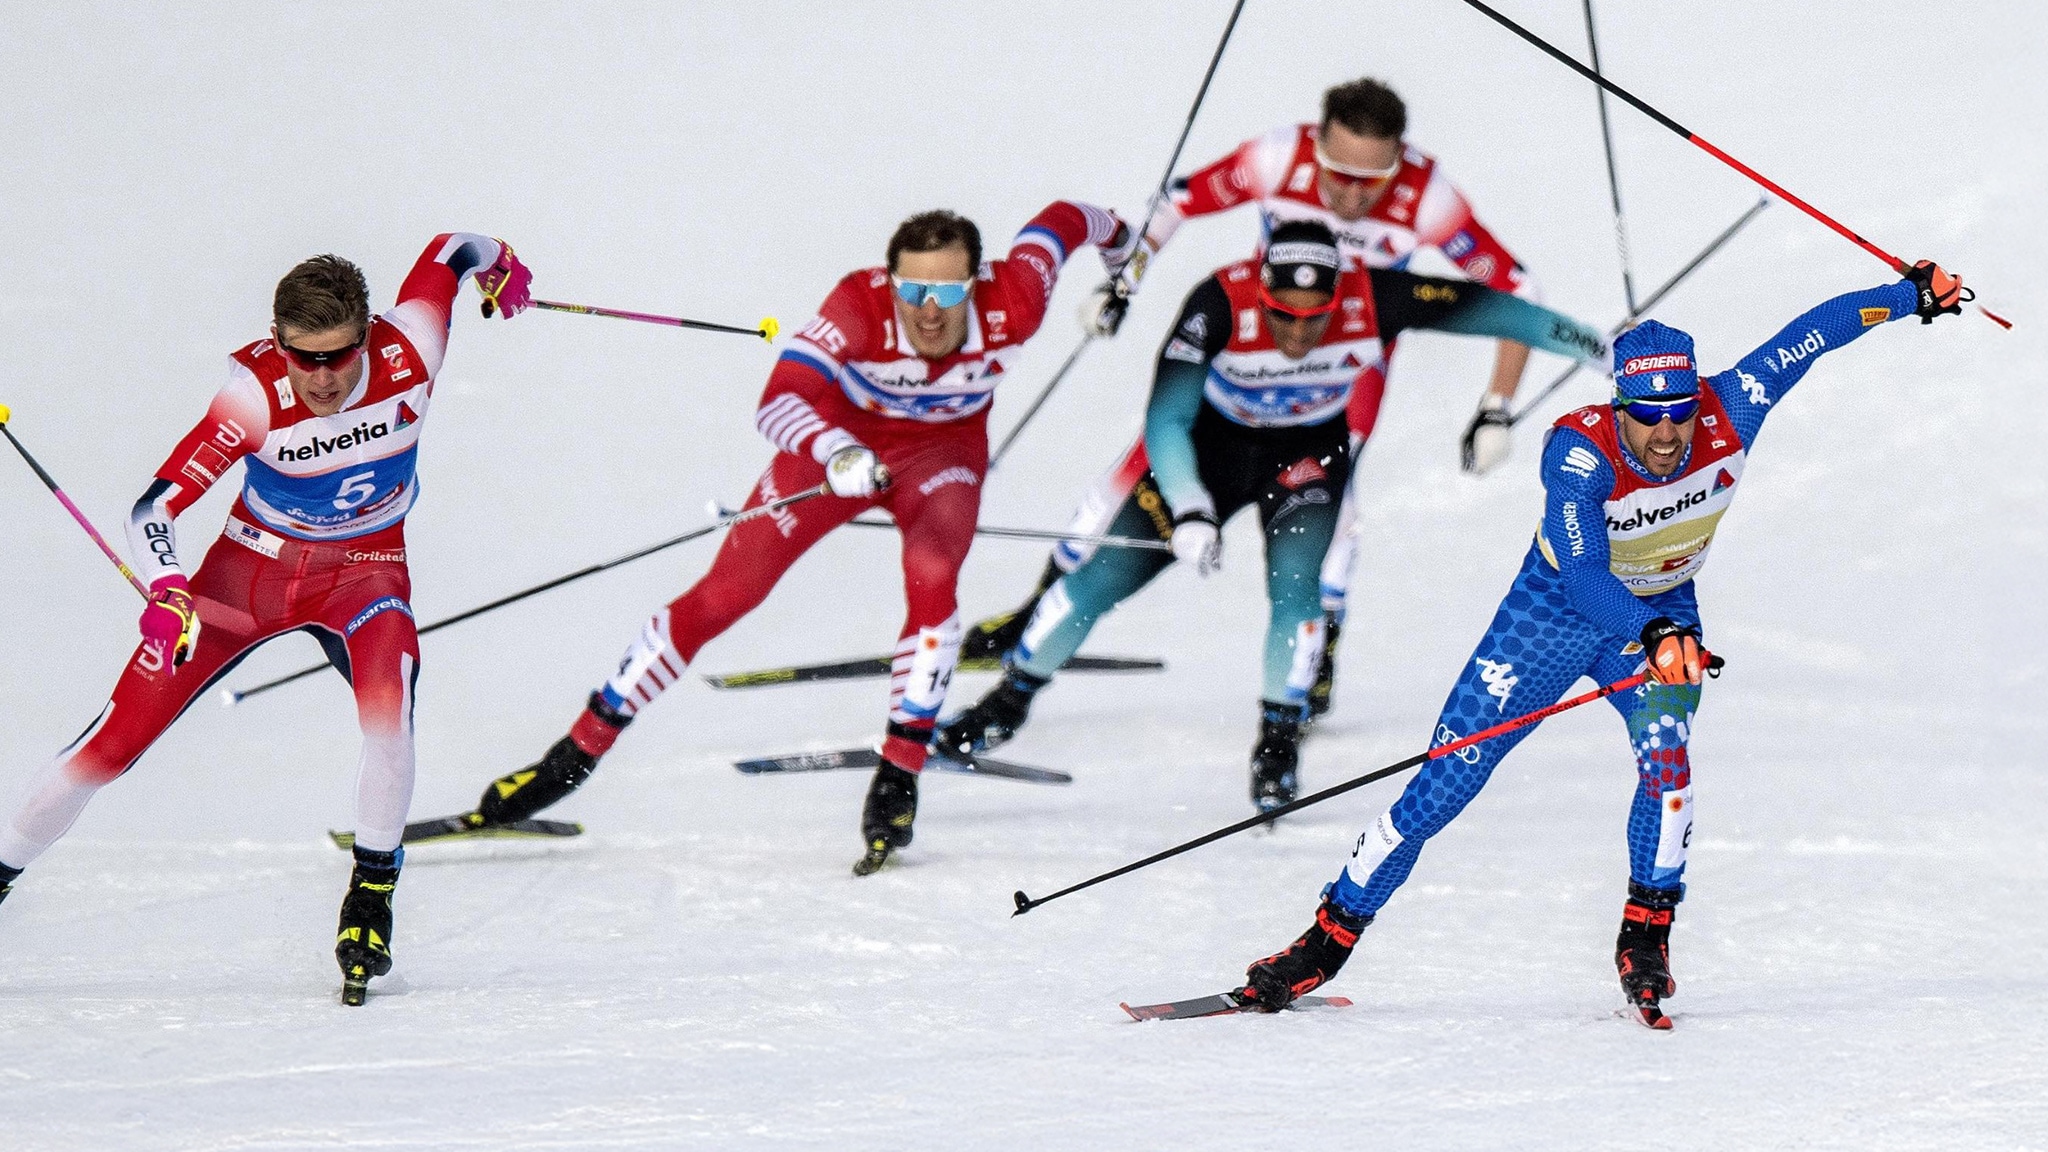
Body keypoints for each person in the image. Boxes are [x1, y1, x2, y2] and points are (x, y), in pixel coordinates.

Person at [1229, 261, 1967, 1027]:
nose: (1667, 433)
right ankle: (1326, 940)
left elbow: (1813, 335)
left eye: (1680, 413)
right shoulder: (1577, 452)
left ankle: (1646, 940)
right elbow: (1582, 574)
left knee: (1669, 765)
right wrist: (1657, 634)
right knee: (1443, 787)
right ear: (1619, 407)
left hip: (1660, 611)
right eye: (1647, 417)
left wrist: (1912, 296)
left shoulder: (1733, 406)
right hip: (1553, 615)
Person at [470, 202, 1134, 875]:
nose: (928, 311)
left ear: (977, 282)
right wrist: (836, 450)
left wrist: (1123, 269)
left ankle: (899, 777)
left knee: (933, 577)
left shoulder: (1015, 297)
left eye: (947, 292)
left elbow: (1070, 220)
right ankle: (574, 754)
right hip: (836, 450)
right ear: (889, 281)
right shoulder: (857, 305)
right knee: (725, 595)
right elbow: (779, 399)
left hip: (942, 456)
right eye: (911, 291)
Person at [0, 234, 532, 1003]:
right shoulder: (253, 394)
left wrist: (502, 263)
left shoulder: (413, 346)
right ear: (277, 339)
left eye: (338, 357)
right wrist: (170, 587)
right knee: (112, 747)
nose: (320, 378)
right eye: (301, 357)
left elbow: (453, 249)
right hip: (248, 574)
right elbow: (155, 506)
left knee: (391, 716)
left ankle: (370, 899)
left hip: (366, 571)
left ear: (369, 333)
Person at [936, 221, 1609, 812]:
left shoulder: (1375, 296)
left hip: (1307, 454)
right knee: (1097, 582)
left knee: (1297, 592)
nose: (1297, 332)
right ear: (1262, 293)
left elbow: (1497, 312)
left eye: (1314, 318)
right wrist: (1193, 507)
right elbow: (1166, 417)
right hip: (1210, 449)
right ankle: (1006, 705)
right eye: (1283, 315)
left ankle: (1278, 742)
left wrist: (1599, 348)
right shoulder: (1218, 300)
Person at [969, 77, 1546, 723]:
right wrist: (1125, 281)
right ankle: (1036, 613)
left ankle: (1315, 661)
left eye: (1372, 181)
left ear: (1398, 163)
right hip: (1253, 347)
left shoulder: (1425, 194)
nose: (1354, 195)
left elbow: (1513, 288)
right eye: (1339, 176)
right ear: (1316, 145)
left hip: (1348, 370)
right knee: (1138, 469)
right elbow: (1178, 200)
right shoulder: (1278, 158)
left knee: (1336, 507)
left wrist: (1496, 405)